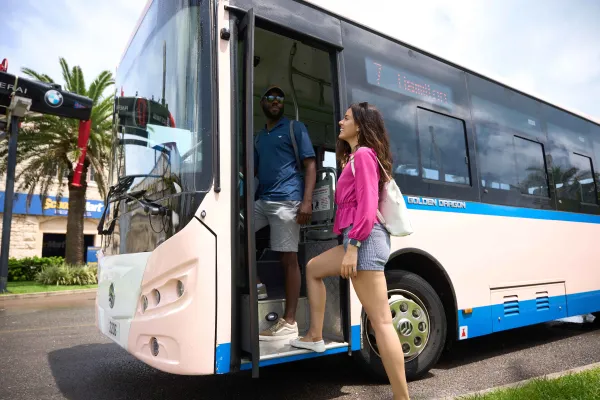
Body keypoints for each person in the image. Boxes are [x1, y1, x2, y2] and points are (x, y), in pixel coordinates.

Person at [290, 102, 410, 399]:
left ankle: (402, 397)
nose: (340, 122)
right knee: (314, 268)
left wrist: (353, 247)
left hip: (364, 241)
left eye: (346, 118)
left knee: (381, 321)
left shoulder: (365, 155)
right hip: (355, 240)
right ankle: (316, 335)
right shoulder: (354, 158)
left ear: (361, 125)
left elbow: (368, 206)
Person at [254, 85, 317, 341]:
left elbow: (310, 164)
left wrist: (307, 201)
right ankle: (257, 283)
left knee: (287, 258)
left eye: (280, 97)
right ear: (262, 103)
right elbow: (255, 173)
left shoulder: (294, 128)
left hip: (288, 201)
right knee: (234, 233)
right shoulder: (259, 137)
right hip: (262, 201)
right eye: (270, 97)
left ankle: (290, 320)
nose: (275, 101)